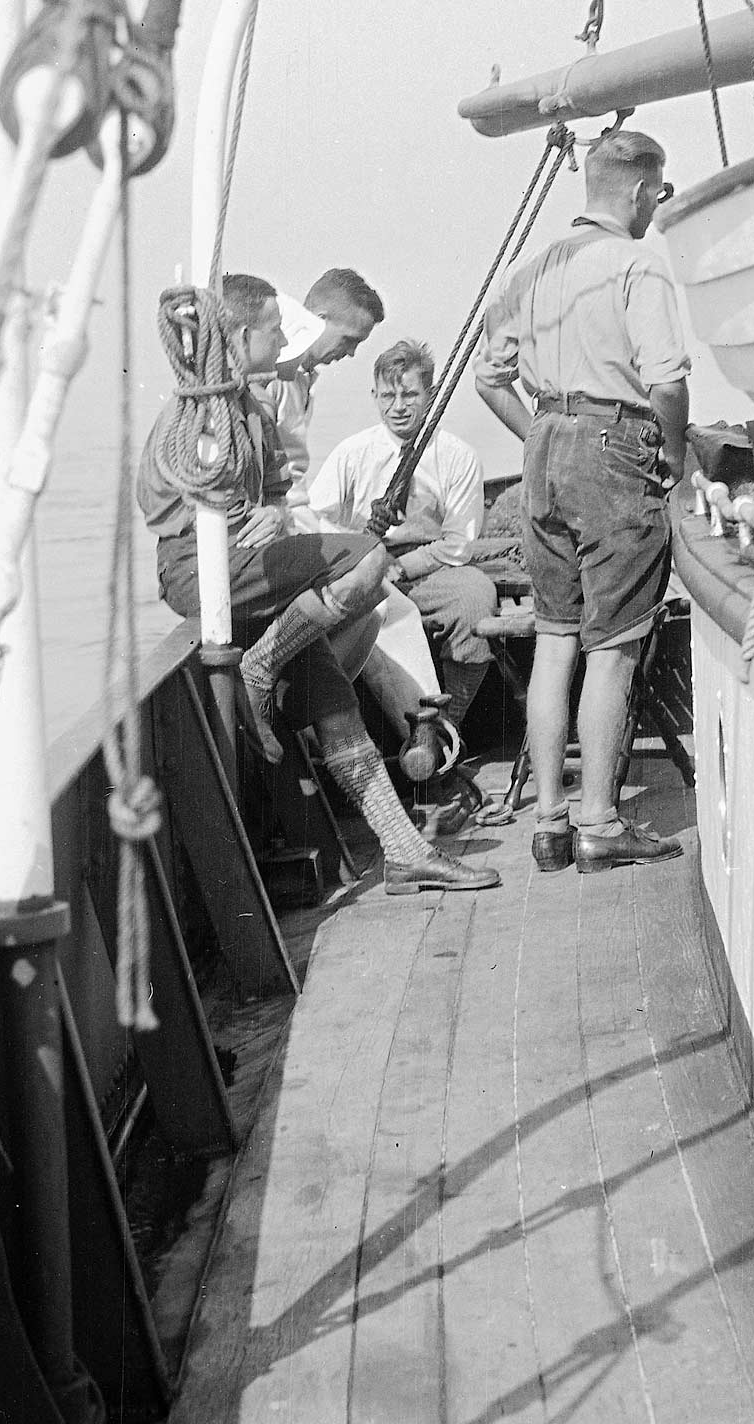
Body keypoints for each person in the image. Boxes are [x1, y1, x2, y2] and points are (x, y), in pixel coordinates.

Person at [138, 271, 496, 896]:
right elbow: (165, 501)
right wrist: (237, 516)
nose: (285, 338)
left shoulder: (250, 406)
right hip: (200, 570)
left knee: (334, 700)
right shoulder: (198, 412)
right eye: (276, 328)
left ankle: (406, 852)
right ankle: (260, 668)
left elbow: (278, 494)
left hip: (250, 567)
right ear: (245, 332)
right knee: (368, 560)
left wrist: (272, 513)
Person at [474, 128, 690, 876]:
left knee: (555, 635)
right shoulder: (637, 264)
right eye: (657, 196)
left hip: (545, 450)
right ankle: (600, 821)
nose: (656, 209)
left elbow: (488, 378)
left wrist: (543, 432)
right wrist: (673, 462)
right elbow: (666, 382)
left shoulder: (532, 269)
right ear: (638, 192)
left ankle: (549, 821)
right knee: (614, 644)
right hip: (613, 448)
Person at [307, 340, 499, 732]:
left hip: (430, 568)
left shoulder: (457, 456)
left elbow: (458, 543)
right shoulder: (351, 453)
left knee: (477, 597)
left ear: (429, 395)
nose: (398, 406)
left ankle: (447, 730)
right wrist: (363, 560)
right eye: (388, 395)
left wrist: (401, 566)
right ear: (374, 395)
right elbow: (317, 520)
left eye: (410, 394)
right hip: (363, 563)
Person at [262, 267, 385, 517]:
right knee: (373, 555)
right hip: (275, 519)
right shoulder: (272, 379)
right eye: (349, 340)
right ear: (318, 319)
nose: (350, 353)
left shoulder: (301, 379)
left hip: (292, 514)